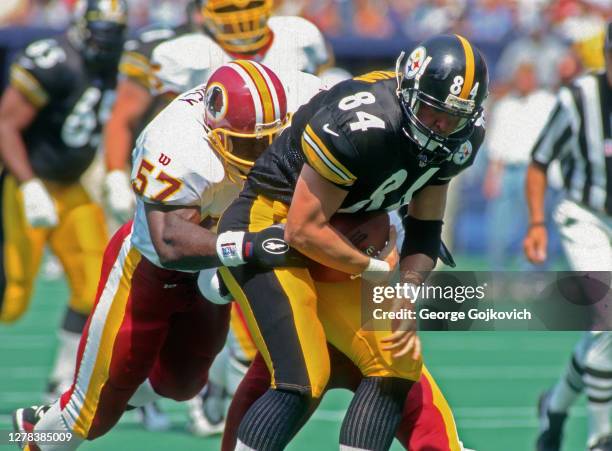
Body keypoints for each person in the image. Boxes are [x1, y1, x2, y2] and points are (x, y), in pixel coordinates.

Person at [11, 61, 316, 451]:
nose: (260, 155)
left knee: (183, 384)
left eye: (269, 141)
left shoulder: (302, 95)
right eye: (246, 144)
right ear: (214, 130)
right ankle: (38, 438)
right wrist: (247, 245)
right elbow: (169, 242)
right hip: (151, 268)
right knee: (92, 414)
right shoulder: (174, 140)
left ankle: (83, 404)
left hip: (215, 263)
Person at [217, 33, 488, 450]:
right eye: (434, 112)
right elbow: (302, 229)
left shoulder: (459, 142)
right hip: (271, 223)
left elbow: (425, 229)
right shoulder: (364, 125)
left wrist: (407, 290)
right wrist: (379, 273)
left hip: (341, 237)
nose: (442, 126)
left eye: (455, 117)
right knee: (303, 375)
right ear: (409, 89)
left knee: (397, 360)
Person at [102, 0, 330, 224]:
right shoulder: (181, 54)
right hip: (213, 174)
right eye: (228, 8)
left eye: (252, 5)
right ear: (201, 10)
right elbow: (133, 118)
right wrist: (115, 175)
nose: (241, 18)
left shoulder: (300, 36)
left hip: (284, 168)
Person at [0, 0, 127, 402]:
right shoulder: (54, 59)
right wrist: (29, 184)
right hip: (28, 183)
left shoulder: (116, 65)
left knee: (94, 287)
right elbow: (5, 123)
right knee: (12, 297)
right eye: (100, 36)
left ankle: (60, 380)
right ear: (81, 28)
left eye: (113, 37)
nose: (105, 47)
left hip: (72, 186)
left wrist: (115, 173)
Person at [524, 21, 612, 451]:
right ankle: (600, 436)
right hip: (586, 216)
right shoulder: (579, 99)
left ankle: (555, 407)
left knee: (604, 332)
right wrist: (537, 223)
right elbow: (539, 160)